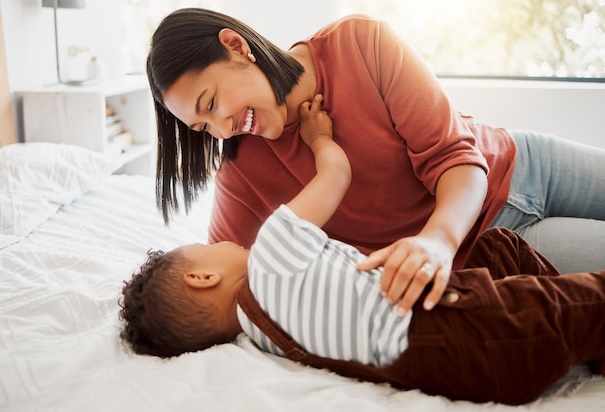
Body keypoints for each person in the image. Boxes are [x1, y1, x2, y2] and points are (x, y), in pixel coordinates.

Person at [119, 96, 605, 405]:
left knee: (501, 250)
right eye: (208, 250)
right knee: (585, 303)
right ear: (202, 278)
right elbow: (336, 176)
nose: (223, 241)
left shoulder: (267, 337)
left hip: (460, 363)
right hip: (471, 326)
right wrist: (319, 138)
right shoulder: (270, 254)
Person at [146, 7, 605, 320]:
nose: (223, 129)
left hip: (524, 161)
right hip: (497, 246)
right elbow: (231, 280)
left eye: (211, 102)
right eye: (203, 128)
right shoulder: (241, 169)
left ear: (235, 46)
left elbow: (453, 156)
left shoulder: (357, 43)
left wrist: (436, 241)